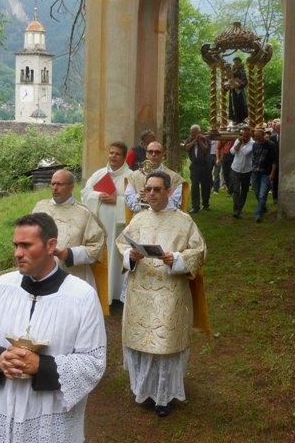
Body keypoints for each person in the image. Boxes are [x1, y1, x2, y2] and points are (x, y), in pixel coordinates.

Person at [0, 213, 106, 443]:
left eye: (26, 245)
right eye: (15, 245)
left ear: (50, 245)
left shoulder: (81, 296)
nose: (17, 253)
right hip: (0, 408)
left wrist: (40, 366)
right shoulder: (2, 287)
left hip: (49, 418)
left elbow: (94, 362)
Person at [116, 171, 208, 418]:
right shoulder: (138, 220)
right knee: (141, 343)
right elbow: (122, 244)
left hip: (170, 292)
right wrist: (130, 256)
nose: (152, 194)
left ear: (168, 192)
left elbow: (199, 252)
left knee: (165, 344)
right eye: (148, 189)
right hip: (140, 290)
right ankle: (143, 390)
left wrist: (177, 259)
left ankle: (164, 397)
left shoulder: (185, 221)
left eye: (157, 189)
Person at [33, 169, 108, 313]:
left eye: (60, 184)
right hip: (40, 274)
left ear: (72, 187)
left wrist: (70, 254)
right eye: (53, 184)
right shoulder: (40, 208)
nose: (55, 188)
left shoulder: (84, 213)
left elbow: (97, 247)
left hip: (74, 276)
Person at [81, 141, 132, 305]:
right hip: (100, 225)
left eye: (117, 153)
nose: (113, 156)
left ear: (124, 157)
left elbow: (137, 202)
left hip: (119, 227)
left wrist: (117, 201)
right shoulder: (99, 175)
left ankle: (116, 295)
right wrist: (98, 196)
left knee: (116, 258)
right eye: (111, 153)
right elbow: (85, 194)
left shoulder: (131, 177)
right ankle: (101, 292)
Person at [124, 140, 183, 213]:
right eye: (150, 152)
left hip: (165, 218)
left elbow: (175, 204)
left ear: (163, 155)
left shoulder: (175, 178)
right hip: (140, 219)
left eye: (157, 152)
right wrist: (139, 196)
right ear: (146, 154)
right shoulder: (134, 176)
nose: (153, 154)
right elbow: (129, 203)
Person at [251, 126, 279, 222]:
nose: (256, 139)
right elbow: (254, 157)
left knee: (262, 195)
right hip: (255, 173)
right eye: (255, 137)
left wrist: (272, 174)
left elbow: (274, 161)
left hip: (266, 173)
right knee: (257, 192)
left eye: (258, 137)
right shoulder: (255, 145)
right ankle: (263, 208)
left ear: (263, 135)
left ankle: (258, 214)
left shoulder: (271, 145)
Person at [183, 124, 212, 213]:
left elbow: (206, 150)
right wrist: (194, 140)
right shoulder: (189, 140)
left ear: (199, 132)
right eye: (192, 133)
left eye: (195, 133)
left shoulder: (206, 139)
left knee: (205, 185)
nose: (193, 135)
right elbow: (186, 148)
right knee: (195, 186)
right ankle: (195, 207)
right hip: (195, 166)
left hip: (205, 166)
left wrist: (199, 141)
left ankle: (205, 204)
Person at [229, 126, 254, 218]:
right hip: (235, 168)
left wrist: (241, 144)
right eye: (243, 135)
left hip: (246, 170)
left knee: (244, 191)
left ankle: (239, 209)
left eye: (246, 135)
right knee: (236, 190)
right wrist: (239, 143)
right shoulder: (238, 141)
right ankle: (236, 210)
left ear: (250, 135)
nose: (244, 137)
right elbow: (232, 152)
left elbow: (245, 153)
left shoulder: (253, 144)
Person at [224, 56, 248, 125]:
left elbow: (245, 81)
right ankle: (234, 119)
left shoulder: (242, 71)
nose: (236, 64)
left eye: (237, 62)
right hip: (233, 92)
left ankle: (241, 120)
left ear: (240, 63)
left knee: (241, 105)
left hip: (239, 92)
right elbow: (228, 81)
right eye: (235, 62)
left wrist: (238, 85)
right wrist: (228, 86)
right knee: (232, 106)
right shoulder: (232, 72)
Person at [269, 119, 281, 203]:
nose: (279, 129)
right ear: (275, 129)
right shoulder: (272, 137)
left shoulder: (287, 138)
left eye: (280, 127)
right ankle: (275, 198)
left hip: (284, 161)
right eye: (277, 128)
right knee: (275, 180)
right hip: (275, 162)